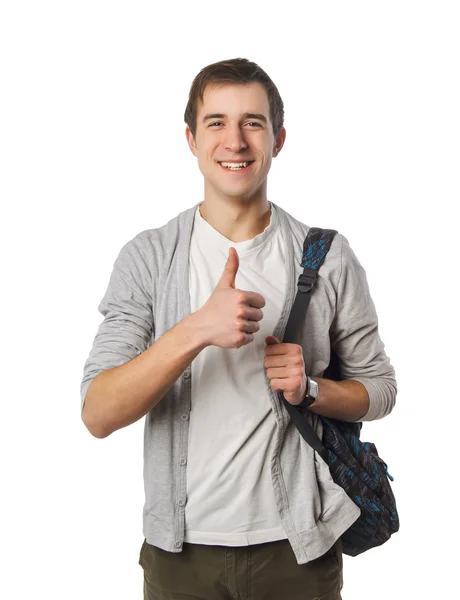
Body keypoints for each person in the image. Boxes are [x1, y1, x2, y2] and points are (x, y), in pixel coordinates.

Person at [80, 57, 397, 600]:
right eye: (216, 122)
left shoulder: (326, 257)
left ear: (278, 140)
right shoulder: (149, 257)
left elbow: (381, 389)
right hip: (179, 554)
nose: (235, 141)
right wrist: (194, 329)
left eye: (253, 122)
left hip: (298, 546)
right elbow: (98, 413)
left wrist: (311, 390)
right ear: (190, 138)